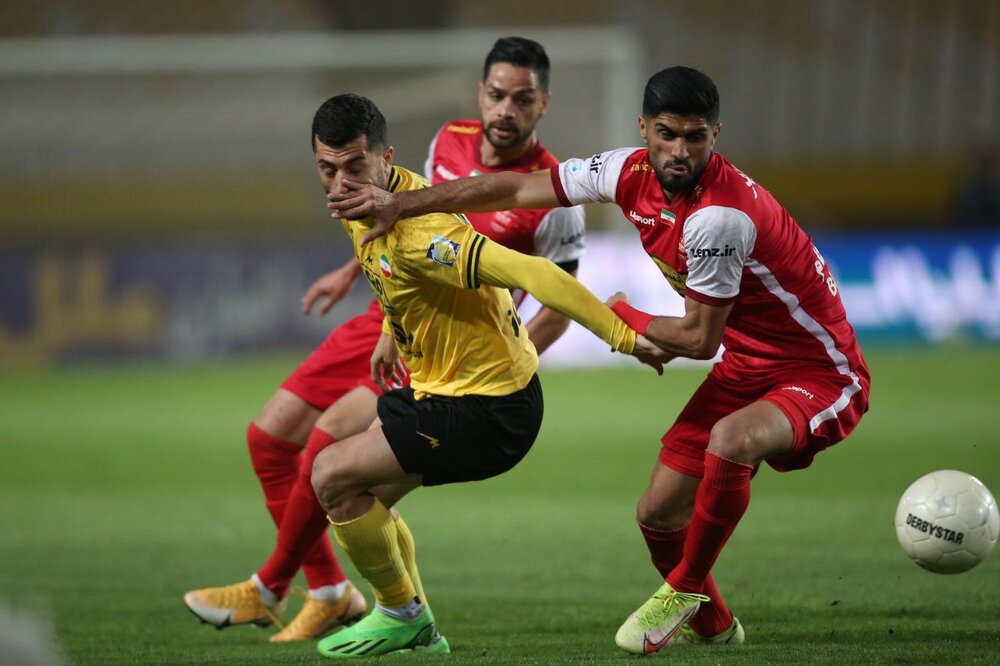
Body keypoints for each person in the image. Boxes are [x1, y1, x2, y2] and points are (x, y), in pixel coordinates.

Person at [328, 66, 872, 654]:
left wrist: (623, 316)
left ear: (716, 135)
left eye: (695, 137)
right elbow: (516, 189)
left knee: (730, 440)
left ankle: (683, 590)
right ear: (644, 128)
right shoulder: (624, 170)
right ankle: (714, 626)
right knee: (657, 514)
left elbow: (697, 339)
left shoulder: (719, 217)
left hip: (819, 370)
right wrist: (404, 203)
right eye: (666, 134)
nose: (679, 151)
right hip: (747, 363)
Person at [182, 36, 586, 642]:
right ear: (480, 92)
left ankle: (280, 589)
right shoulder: (448, 140)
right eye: (497, 95)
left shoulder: (551, 195)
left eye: (522, 99)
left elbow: (558, 300)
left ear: (543, 104)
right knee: (269, 438)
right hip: (389, 312)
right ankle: (327, 592)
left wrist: (497, 366)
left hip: (453, 348)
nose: (506, 109)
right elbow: (394, 212)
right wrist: (353, 270)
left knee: (333, 454)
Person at [306, 92, 653, 658]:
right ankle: (415, 626)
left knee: (331, 475)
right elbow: (396, 273)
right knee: (363, 500)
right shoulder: (371, 204)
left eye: (354, 166)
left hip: (488, 408)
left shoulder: (425, 233)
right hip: (445, 389)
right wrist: (392, 329)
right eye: (327, 169)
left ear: (385, 158)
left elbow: (534, 271)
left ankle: (402, 615)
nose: (341, 183)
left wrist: (624, 336)